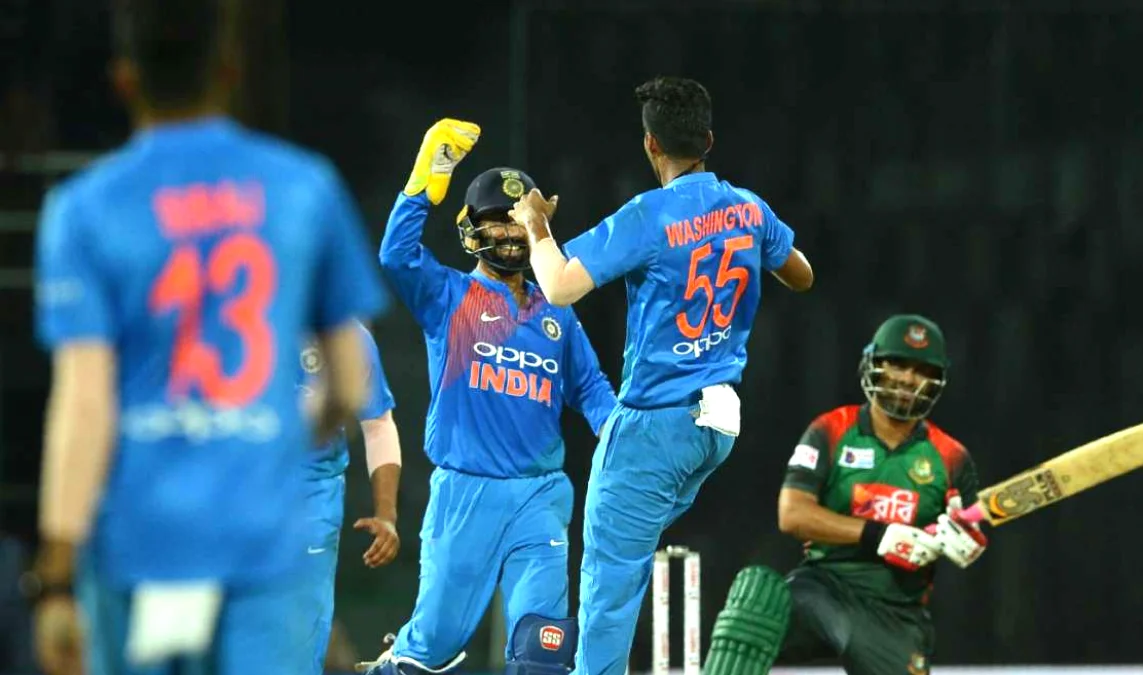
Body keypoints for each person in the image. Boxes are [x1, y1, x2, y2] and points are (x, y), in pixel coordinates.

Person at [28, 0, 388, 673]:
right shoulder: (306, 188)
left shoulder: (82, 209)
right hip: (259, 537)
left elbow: (83, 404)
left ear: (124, 79)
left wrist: (54, 572)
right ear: (227, 71)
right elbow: (348, 379)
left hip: (138, 540)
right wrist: (272, 441)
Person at [508, 76, 814, 675]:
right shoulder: (749, 208)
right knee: (627, 548)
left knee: (609, 578)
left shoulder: (648, 215)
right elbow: (801, 274)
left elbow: (559, 286)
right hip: (717, 422)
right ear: (708, 141)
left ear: (650, 144)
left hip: (655, 423)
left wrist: (536, 225)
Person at [358, 119, 617, 675]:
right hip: (464, 495)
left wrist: (623, 439)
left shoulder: (556, 310)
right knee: (428, 652)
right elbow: (396, 256)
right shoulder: (448, 296)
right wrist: (423, 184)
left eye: (518, 220)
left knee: (542, 653)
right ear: (471, 229)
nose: (509, 233)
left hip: (540, 498)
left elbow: (591, 387)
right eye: (495, 221)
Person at [703, 314, 989, 675]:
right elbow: (792, 514)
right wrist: (878, 534)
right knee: (757, 597)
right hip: (823, 591)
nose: (907, 378)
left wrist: (966, 542)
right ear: (873, 364)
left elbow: (970, 527)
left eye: (921, 370)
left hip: (896, 611)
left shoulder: (952, 456)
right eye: (897, 364)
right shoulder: (832, 429)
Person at [292, 321, 402, 675]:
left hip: (312, 495)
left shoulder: (349, 336)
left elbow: (378, 424)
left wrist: (387, 514)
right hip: (236, 489)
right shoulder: (234, 311)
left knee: (301, 630)